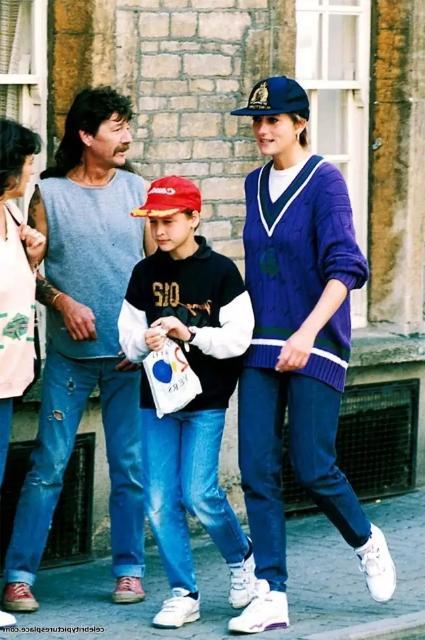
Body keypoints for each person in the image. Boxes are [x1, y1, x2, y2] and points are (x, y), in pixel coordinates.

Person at [227, 76, 397, 634]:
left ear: (300, 123)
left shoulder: (326, 182)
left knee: (313, 465)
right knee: (256, 469)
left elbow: (346, 268)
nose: (262, 129)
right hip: (260, 345)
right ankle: (271, 593)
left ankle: (366, 541)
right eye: (257, 121)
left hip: (316, 341)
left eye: (273, 120)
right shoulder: (253, 184)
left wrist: (305, 335)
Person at [2, 87, 153, 614]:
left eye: (127, 125)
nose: (126, 137)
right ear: (86, 136)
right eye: (116, 127)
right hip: (69, 359)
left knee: (130, 467)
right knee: (48, 465)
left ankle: (130, 570)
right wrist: (62, 301)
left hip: (129, 359)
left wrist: (147, 335)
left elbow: (156, 270)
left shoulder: (139, 189)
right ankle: (18, 577)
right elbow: (28, 272)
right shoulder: (48, 193)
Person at [118, 176, 256, 629]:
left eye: (169, 221)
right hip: (157, 402)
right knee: (158, 501)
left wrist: (190, 332)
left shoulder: (221, 272)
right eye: (153, 222)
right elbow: (126, 337)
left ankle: (242, 558)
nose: (159, 230)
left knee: (199, 493)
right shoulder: (144, 273)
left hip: (206, 401)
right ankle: (183, 593)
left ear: (194, 218)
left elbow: (239, 339)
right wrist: (144, 340)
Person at [0, 117, 46, 628]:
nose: (31, 170)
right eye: (27, 162)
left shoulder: (12, 215)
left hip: (8, 379)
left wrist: (32, 258)